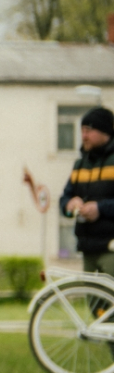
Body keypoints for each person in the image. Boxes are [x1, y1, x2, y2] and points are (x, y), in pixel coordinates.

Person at [60, 106, 114, 277]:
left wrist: (100, 208)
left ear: (105, 131)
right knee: (95, 302)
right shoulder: (80, 164)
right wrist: (69, 205)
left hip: (111, 248)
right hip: (87, 247)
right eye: (82, 131)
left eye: (88, 131)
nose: (83, 136)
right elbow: (64, 198)